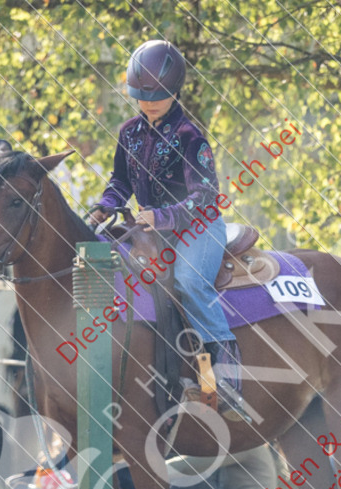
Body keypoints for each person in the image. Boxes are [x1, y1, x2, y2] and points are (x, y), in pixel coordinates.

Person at [89, 39, 246, 420]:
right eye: (142, 96)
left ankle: (226, 369)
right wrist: (105, 206)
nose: (149, 103)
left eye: (157, 96)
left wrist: (162, 217)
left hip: (198, 228)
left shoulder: (191, 136)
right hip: (152, 233)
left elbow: (206, 196)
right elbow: (120, 182)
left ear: (175, 90)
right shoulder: (128, 133)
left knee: (189, 280)